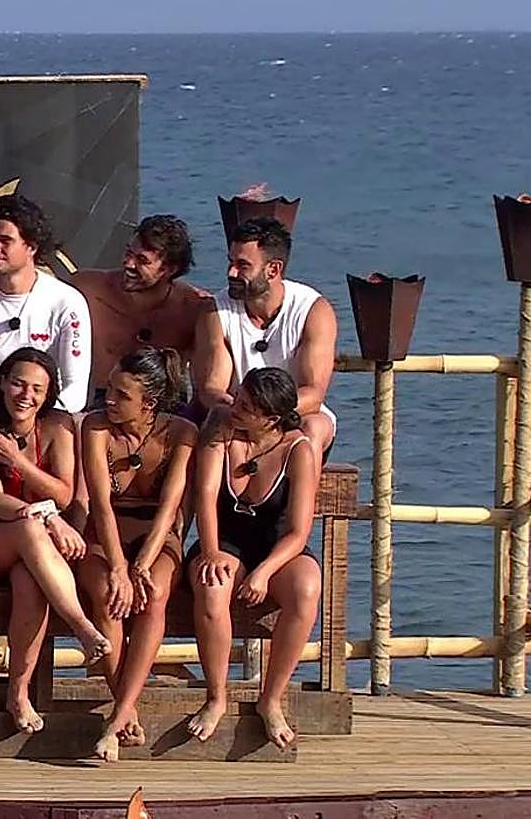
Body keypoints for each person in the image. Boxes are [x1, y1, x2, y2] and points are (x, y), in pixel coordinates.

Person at [0, 348, 111, 733]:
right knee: (29, 528)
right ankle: (81, 627)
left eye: (37, 389)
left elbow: (65, 493)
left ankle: (18, 692)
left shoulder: (60, 427)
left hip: (39, 551)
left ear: (48, 395)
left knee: (29, 584)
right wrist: (48, 518)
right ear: (1, 383)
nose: (25, 395)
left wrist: (16, 461)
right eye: (17, 384)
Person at [186, 367, 320, 750]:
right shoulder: (222, 430)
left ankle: (271, 698)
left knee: (307, 589)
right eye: (239, 398)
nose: (236, 408)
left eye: (247, 407)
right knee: (212, 586)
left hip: (275, 547)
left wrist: (263, 572)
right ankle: (216, 696)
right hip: (225, 540)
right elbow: (205, 495)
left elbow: (298, 531)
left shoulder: (297, 450)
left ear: (271, 419)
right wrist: (210, 550)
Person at [76, 348, 198, 760]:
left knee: (154, 595)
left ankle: (119, 715)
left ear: (149, 403)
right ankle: (125, 711)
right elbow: (100, 503)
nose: (109, 399)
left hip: (156, 535)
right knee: (109, 597)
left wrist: (142, 564)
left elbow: (170, 507)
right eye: (109, 389)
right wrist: (118, 567)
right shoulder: (95, 427)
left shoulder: (181, 432)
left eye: (122, 395)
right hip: (107, 531)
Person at [0, 214, 209, 406]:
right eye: (128, 252)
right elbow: (30, 285)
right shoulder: (87, 286)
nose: (128, 264)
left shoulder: (193, 307)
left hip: (163, 406)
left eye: (142, 260)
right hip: (99, 402)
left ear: (170, 270)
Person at [191, 217, 337, 460]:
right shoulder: (215, 312)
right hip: (236, 412)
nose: (231, 272)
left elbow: (313, 393)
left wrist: (264, 416)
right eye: (230, 262)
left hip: (292, 413)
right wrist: (243, 413)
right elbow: (212, 389)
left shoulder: (313, 310)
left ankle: (302, 487)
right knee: (217, 424)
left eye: (242, 265)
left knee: (313, 428)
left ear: (273, 269)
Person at [0, 193, 92, 414]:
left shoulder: (68, 303)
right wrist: (4, 413)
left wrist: (29, 417)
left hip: (45, 417)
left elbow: (76, 392)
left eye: (5, 241)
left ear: (31, 246)